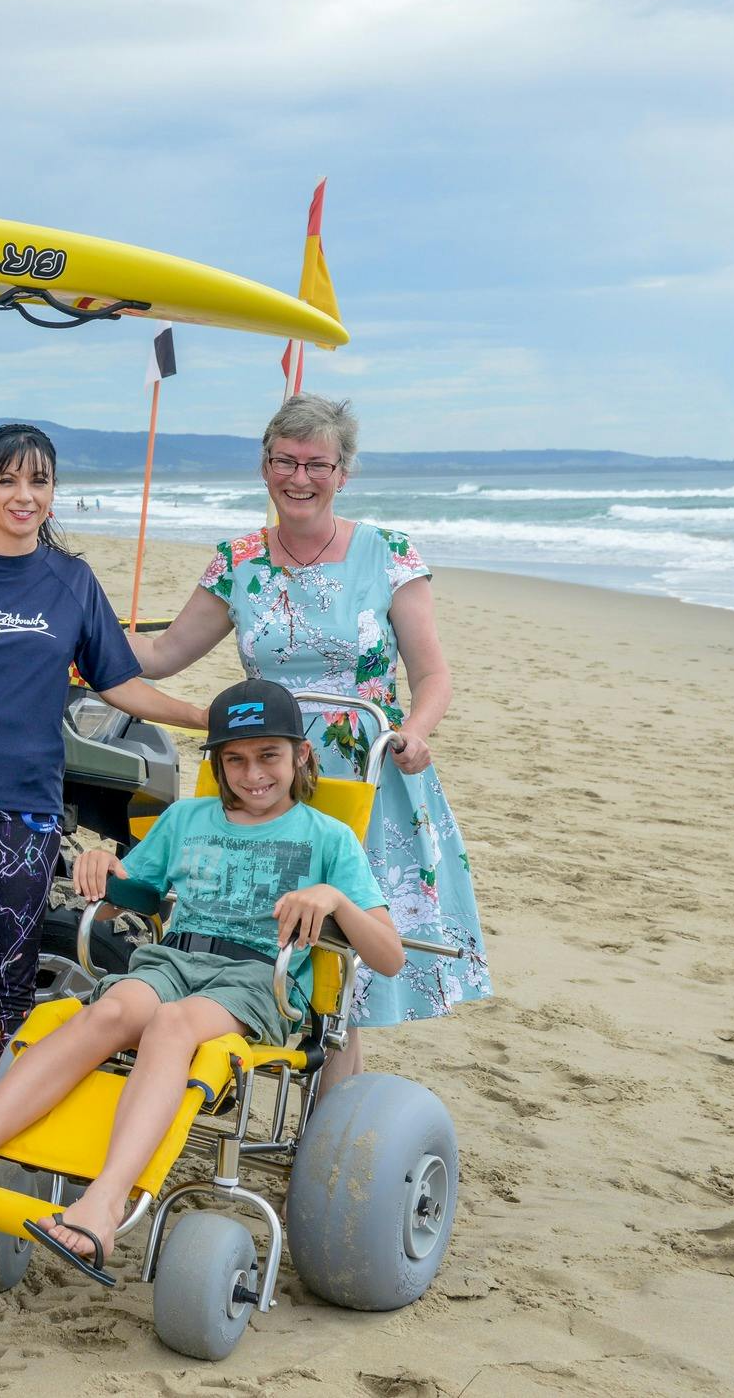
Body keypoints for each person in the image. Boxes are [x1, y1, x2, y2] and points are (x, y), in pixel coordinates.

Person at [0, 678, 404, 1275]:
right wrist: (102, 868)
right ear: (217, 764)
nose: (252, 774)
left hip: (252, 980)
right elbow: (120, 899)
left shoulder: (328, 838)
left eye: (269, 756)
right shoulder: (186, 819)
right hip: (172, 961)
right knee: (112, 1010)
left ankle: (107, 1200)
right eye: (234, 760)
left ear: (301, 756)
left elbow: (389, 956)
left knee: (171, 1024)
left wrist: (333, 900)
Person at [131, 393, 489, 1095]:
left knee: (341, 967)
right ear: (265, 467)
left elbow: (433, 674)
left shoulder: (387, 554)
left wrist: (416, 731)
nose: (301, 477)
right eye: (286, 462)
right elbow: (165, 651)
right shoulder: (236, 561)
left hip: (366, 775)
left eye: (317, 463)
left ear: (343, 473)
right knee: (255, 943)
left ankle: (325, 1133)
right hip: (260, 773)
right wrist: (75, 630)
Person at [0, 423, 208, 1193]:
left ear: (51, 492)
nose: (24, 496)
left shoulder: (71, 583)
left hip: (27, 803)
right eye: (8, 481)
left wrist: (205, 716)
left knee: (11, 975)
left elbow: (118, 684)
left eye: (39, 482)